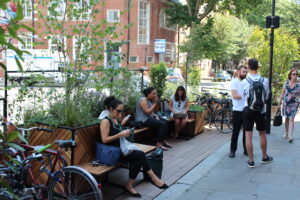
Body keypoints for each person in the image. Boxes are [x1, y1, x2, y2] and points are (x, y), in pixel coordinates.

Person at [100, 96, 168, 198]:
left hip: (121, 150)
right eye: (118, 111)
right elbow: (104, 140)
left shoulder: (115, 119)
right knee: (140, 154)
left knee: (138, 160)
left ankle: (130, 185)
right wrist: (120, 134)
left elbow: (118, 130)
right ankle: (153, 178)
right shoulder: (105, 121)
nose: (120, 114)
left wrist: (124, 128)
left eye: (121, 111)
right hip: (112, 153)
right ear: (110, 109)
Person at [241, 59, 273, 168]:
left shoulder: (245, 81)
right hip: (260, 110)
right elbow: (267, 96)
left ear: (249, 68)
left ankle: (251, 160)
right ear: (258, 67)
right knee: (262, 133)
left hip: (248, 109)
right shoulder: (265, 80)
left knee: (248, 135)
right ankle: (264, 157)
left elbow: (243, 96)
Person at [229, 65, 248, 158]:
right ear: (239, 71)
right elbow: (235, 95)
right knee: (236, 131)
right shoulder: (234, 82)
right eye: (243, 71)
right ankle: (232, 151)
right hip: (237, 111)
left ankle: (246, 150)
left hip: (246, 110)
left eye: (246, 72)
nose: (245, 73)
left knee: (246, 132)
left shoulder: (247, 82)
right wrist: (245, 95)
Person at [279, 69, 300, 143]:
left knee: (291, 119)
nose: (295, 76)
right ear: (290, 75)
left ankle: (290, 136)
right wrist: (279, 102)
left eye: (296, 74)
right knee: (287, 118)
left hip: (294, 103)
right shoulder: (286, 83)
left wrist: (298, 98)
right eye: (294, 74)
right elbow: (282, 93)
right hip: (286, 103)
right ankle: (286, 133)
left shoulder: (298, 85)